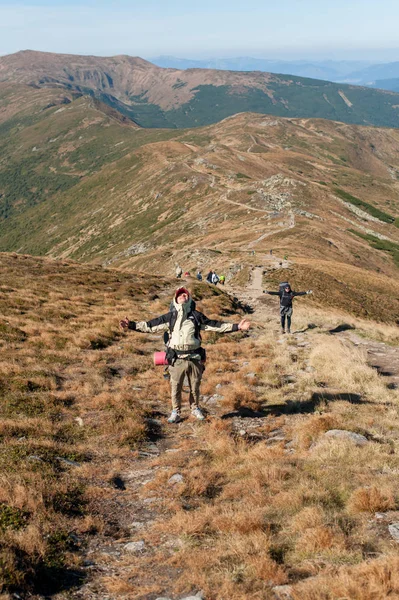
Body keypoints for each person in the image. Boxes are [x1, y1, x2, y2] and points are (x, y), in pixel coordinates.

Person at [120, 287, 250, 423]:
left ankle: (195, 408)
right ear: (175, 299)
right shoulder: (170, 316)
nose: (183, 296)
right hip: (176, 359)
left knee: (195, 385)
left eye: (185, 295)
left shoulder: (196, 316)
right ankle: (176, 411)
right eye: (180, 295)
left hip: (194, 358)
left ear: (190, 299)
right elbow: (149, 326)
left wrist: (237, 327)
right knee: (175, 386)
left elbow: (216, 326)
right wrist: (131, 325)